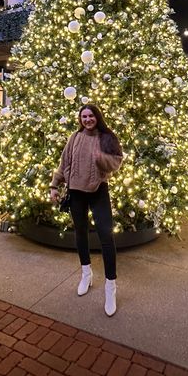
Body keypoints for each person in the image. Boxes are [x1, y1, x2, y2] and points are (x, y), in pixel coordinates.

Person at [49, 105, 123, 316]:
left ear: (97, 117)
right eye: (84, 116)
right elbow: (64, 164)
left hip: (98, 191)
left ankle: (110, 287)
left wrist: (100, 157)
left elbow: (116, 162)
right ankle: (86, 273)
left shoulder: (106, 137)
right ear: (80, 119)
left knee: (106, 236)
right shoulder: (74, 137)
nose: (88, 119)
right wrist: (54, 185)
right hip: (76, 192)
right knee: (80, 233)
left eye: (91, 116)